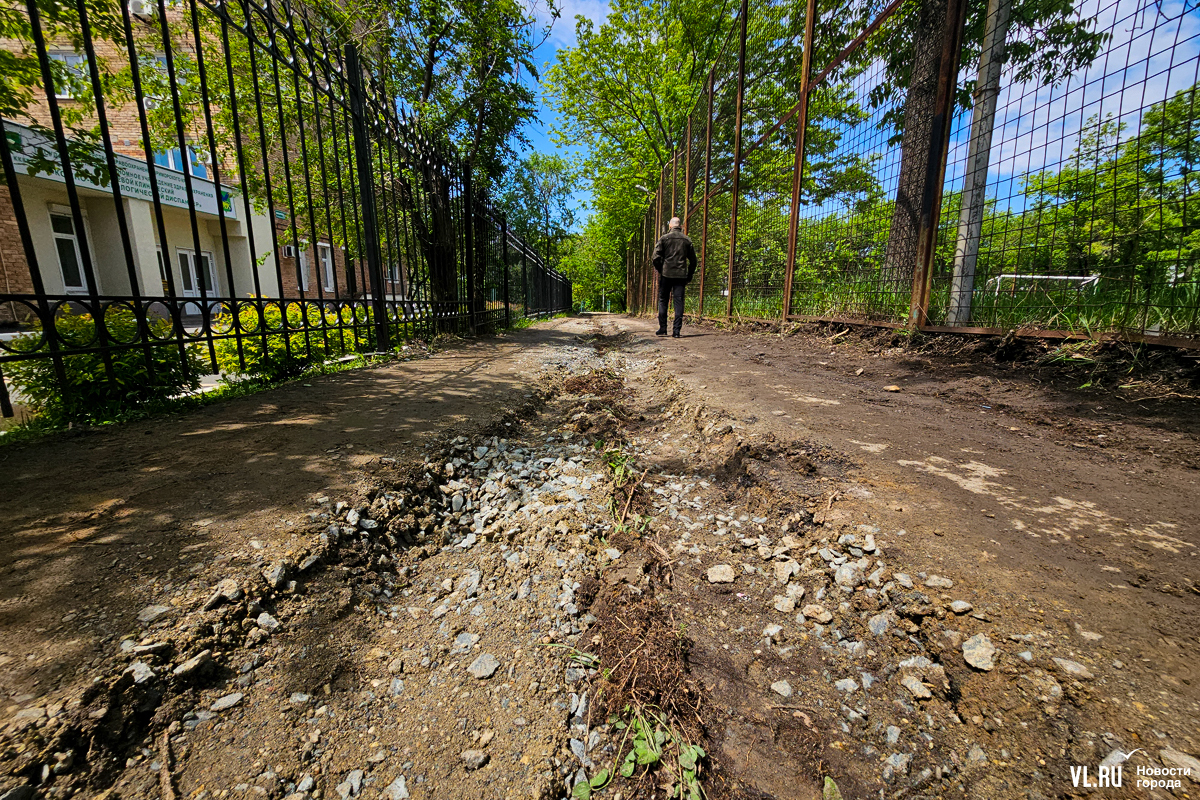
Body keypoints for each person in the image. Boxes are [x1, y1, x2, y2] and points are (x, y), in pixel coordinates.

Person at [651, 217, 697, 338]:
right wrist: (689, 275)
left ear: (670, 226)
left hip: (666, 274)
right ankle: (676, 331)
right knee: (678, 301)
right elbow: (693, 260)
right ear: (680, 226)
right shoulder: (687, 240)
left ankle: (663, 328)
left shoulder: (664, 239)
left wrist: (661, 269)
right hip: (681, 275)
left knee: (663, 300)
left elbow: (655, 257)